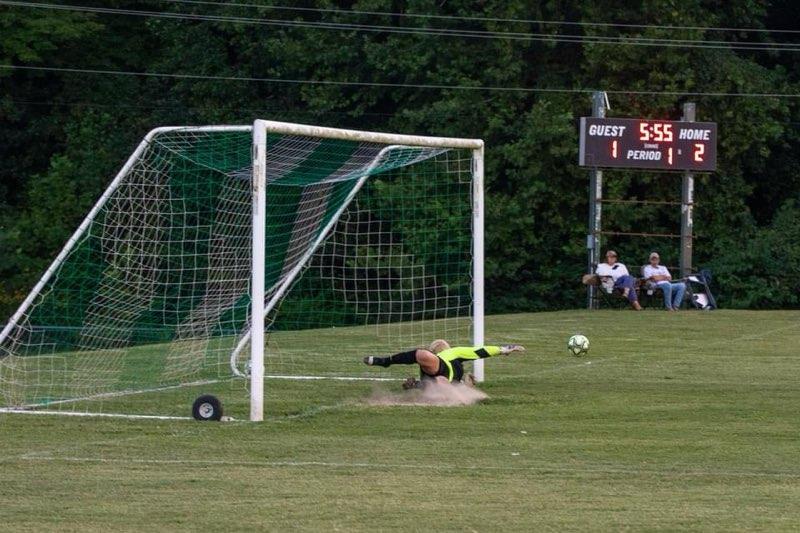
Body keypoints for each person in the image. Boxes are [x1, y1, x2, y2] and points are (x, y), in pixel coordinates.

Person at [363, 339, 525, 387]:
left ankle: (387, 362)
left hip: (446, 374)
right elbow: (481, 351)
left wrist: (503, 349)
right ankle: (386, 362)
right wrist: (504, 349)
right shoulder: (434, 359)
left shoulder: (453, 353)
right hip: (438, 375)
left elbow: (479, 351)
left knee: (423, 357)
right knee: (434, 378)